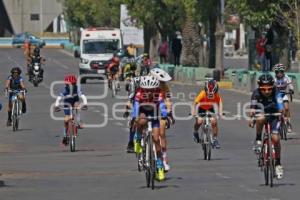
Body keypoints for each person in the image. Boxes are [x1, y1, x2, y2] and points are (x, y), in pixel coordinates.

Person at [132, 75, 168, 181]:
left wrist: (165, 115)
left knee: (156, 139)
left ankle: (160, 167)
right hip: (143, 111)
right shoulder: (139, 93)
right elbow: (136, 106)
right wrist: (135, 116)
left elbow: (162, 105)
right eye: (146, 90)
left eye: (151, 90)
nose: (149, 92)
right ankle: (138, 139)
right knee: (140, 121)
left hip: (154, 112)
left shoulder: (159, 93)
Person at [248, 73, 284, 179]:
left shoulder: (277, 93)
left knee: (276, 139)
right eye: (264, 89)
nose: (267, 91)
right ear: (260, 88)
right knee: (260, 118)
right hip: (262, 113)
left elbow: (281, 105)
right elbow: (252, 109)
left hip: (274, 115)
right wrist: (251, 118)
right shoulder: (255, 94)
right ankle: (258, 139)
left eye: (269, 89)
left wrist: (282, 111)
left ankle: (278, 163)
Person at [150, 67, 174, 171]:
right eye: (160, 81)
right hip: (146, 108)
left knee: (162, 132)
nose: (162, 83)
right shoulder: (146, 85)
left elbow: (168, 100)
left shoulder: (165, 87)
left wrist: (169, 113)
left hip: (159, 110)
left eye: (163, 82)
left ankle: (164, 158)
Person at [54, 75, 88, 145]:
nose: (71, 86)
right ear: (66, 85)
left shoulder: (77, 88)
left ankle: (78, 122)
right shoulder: (65, 90)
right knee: (66, 119)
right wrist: (56, 106)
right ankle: (65, 135)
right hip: (67, 103)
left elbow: (83, 96)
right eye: (69, 84)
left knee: (77, 106)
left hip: (75, 101)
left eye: (73, 84)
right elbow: (58, 98)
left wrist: (85, 104)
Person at [192, 79, 223, 149]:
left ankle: (215, 139)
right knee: (199, 121)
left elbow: (220, 103)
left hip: (210, 108)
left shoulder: (216, 95)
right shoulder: (202, 93)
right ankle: (195, 132)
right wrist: (193, 112)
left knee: (214, 122)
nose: (211, 95)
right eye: (209, 94)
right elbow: (195, 103)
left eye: (212, 94)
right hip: (201, 108)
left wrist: (220, 113)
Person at [273, 63, 294, 133]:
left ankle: (288, 123)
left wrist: (291, 89)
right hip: (276, 95)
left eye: (281, 72)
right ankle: (276, 122)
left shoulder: (286, 77)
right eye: (277, 72)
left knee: (287, 108)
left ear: (283, 72)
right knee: (277, 110)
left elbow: (290, 85)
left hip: (284, 94)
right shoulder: (273, 79)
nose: (279, 74)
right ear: (275, 72)